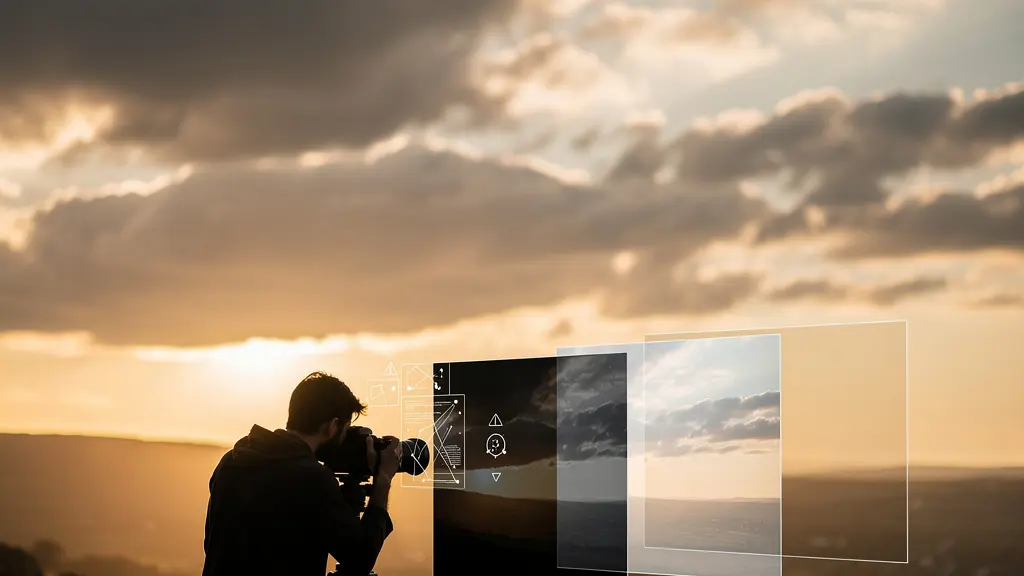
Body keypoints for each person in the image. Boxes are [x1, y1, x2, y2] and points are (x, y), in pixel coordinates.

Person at [202, 372, 401, 576]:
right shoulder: (312, 479)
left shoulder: (232, 461)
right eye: (345, 430)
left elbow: (213, 545)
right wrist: (383, 481)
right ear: (332, 426)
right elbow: (360, 558)